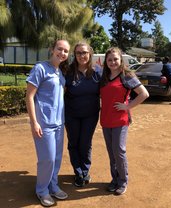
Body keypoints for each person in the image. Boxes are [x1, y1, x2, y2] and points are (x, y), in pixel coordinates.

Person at [26, 40, 70, 207]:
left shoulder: (60, 73)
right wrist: (34, 122)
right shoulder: (40, 68)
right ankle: (42, 190)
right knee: (47, 159)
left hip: (59, 123)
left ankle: (53, 185)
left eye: (66, 51)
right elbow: (29, 96)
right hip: (44, 124)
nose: (62, 53)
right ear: (52, 49)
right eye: (60, 49)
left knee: (57, 158)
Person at [100, 47, 149, 195]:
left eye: (115, 59)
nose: (113, 62)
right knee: (111, 152)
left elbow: (144, 94)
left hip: (120, 120)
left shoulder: (126, 76)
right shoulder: (104, 77)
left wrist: (127, 106)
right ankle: (114, 180)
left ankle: (123, 181)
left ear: (121, 60)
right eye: (109, 60)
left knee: (119, 151)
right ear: (106, 62)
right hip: (106, 120)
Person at [64, 41, 101, 187]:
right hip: (71, 114)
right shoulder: (68, 71)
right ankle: (78, 172)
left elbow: (109, 89)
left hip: (90, 115)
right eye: (78, 53)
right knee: (74, 143)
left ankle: (85, 171)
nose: (82, 56)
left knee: (85, 143)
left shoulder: (98, 71)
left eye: (84, 52)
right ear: (75, 55)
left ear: (90, 54)